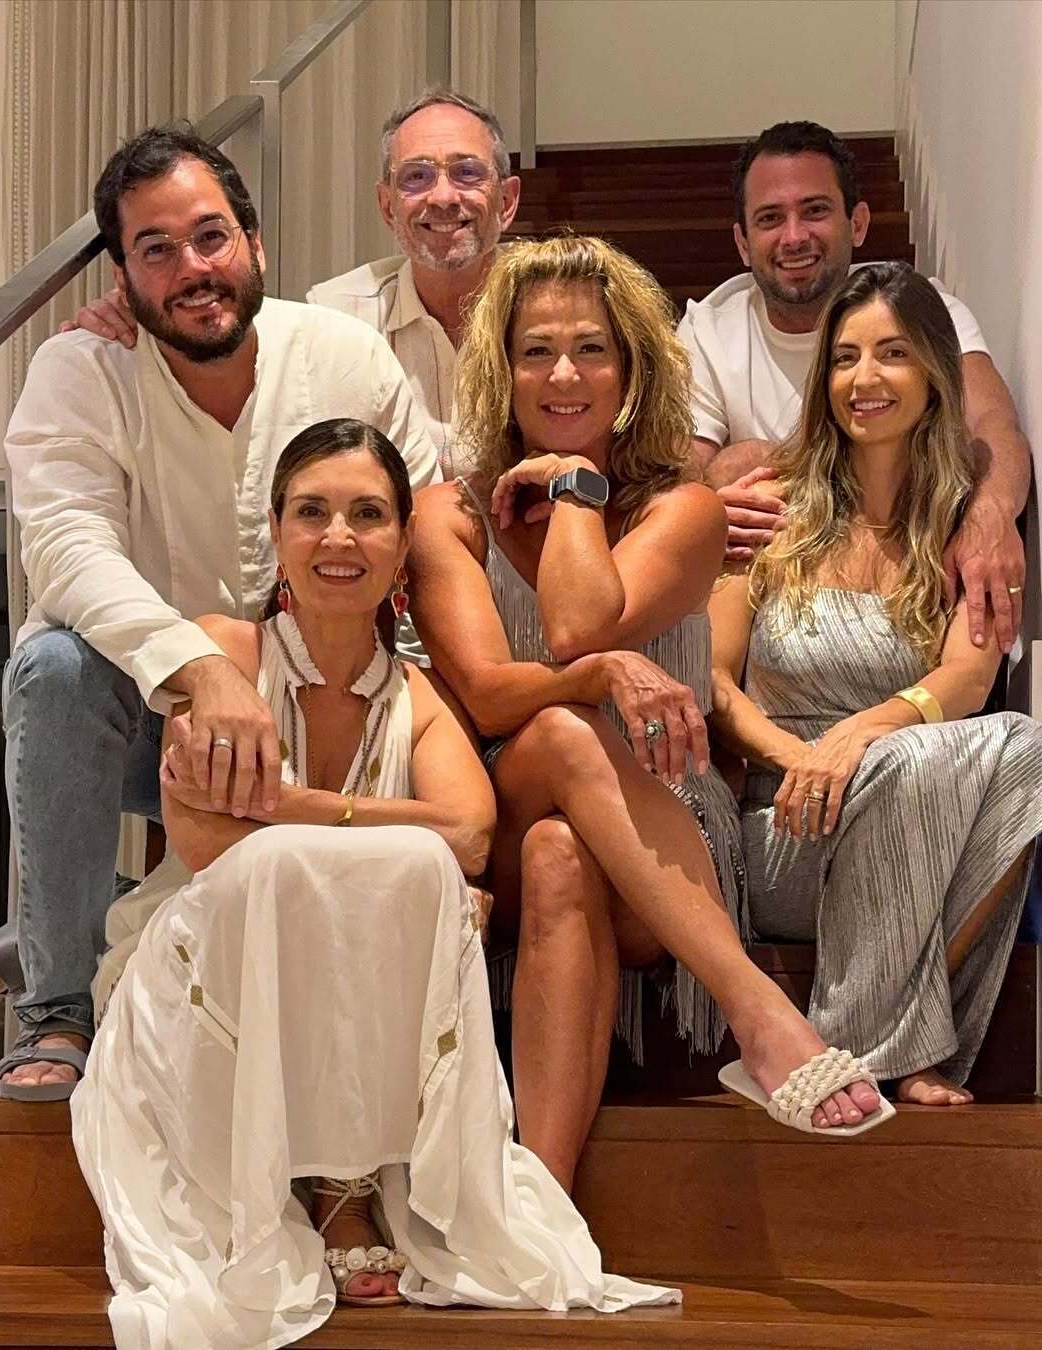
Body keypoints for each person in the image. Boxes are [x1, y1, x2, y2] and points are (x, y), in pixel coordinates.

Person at [70, 418, 679, 1349]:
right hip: (197, 976)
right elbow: (202, 841)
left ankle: (345, 1179)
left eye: (367, 515)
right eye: (312, 512)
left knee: (399, 868)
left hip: (346, 989)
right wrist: (372, 835)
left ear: (401, 547)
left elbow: (470, 833)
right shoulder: (225, 654)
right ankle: (311, 1188)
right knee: (290, 866)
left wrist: (286, 805)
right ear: (277, 533)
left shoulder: (418, 697)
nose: (339, 537)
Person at [410, 234, 893, 1194]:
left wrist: (574, 488)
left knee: (564, 849)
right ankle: (760, 1012)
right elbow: (496, 692)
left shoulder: (686, 510)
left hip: (669, 815)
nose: (564, 374)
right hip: (507, 797)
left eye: (592, 349)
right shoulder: (447, 514)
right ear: (500, 369)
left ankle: (541, 1207)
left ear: (632, 370)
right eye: (536, 351)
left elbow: (576, 621)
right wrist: (598, 677)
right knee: (559, 739)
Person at [0, 124, 438, 1101]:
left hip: (319, 721)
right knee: (52, 666)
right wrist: (197, 671)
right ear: (122, 278)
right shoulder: (80, 371)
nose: (191, 268)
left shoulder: (345, 357)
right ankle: (57, 1006)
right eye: (156, 249)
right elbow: (66, 548)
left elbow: (425, 523)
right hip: (149, 722)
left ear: (255, 243)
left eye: (210, 236)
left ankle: (80, 908)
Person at [708, 262, 1042, 1106]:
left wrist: (861, 737)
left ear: (933, 372)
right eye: (845, 357)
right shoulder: (773, 504)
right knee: (914, 760)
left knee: (1023, 746)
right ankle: (898, 1052)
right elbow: (712, 679)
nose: (865, 378)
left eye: (892, 353)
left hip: (908, 791)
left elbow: (970, 676)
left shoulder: (964, 522)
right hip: (790, 821)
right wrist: (803, 757)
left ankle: (859, 1040)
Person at [680, 121, 1029, 654]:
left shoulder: (921, 307)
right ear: (743, 242)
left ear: (858, 222)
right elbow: (681, 472)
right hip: (769, 605)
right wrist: (705, 508)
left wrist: (991, 513)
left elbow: (994, 426)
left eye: (815, 210)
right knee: (731, 473)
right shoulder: (708, 330)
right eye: (770, 218)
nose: (794, 237)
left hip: (906, 585)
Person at [65, 88, 521, 480]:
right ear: (387, 206)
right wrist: (135, 311)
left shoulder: (551, 307)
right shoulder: (338, 316)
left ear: (507, 200)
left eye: (467, 172)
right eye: (416, 177)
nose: (442, 197)